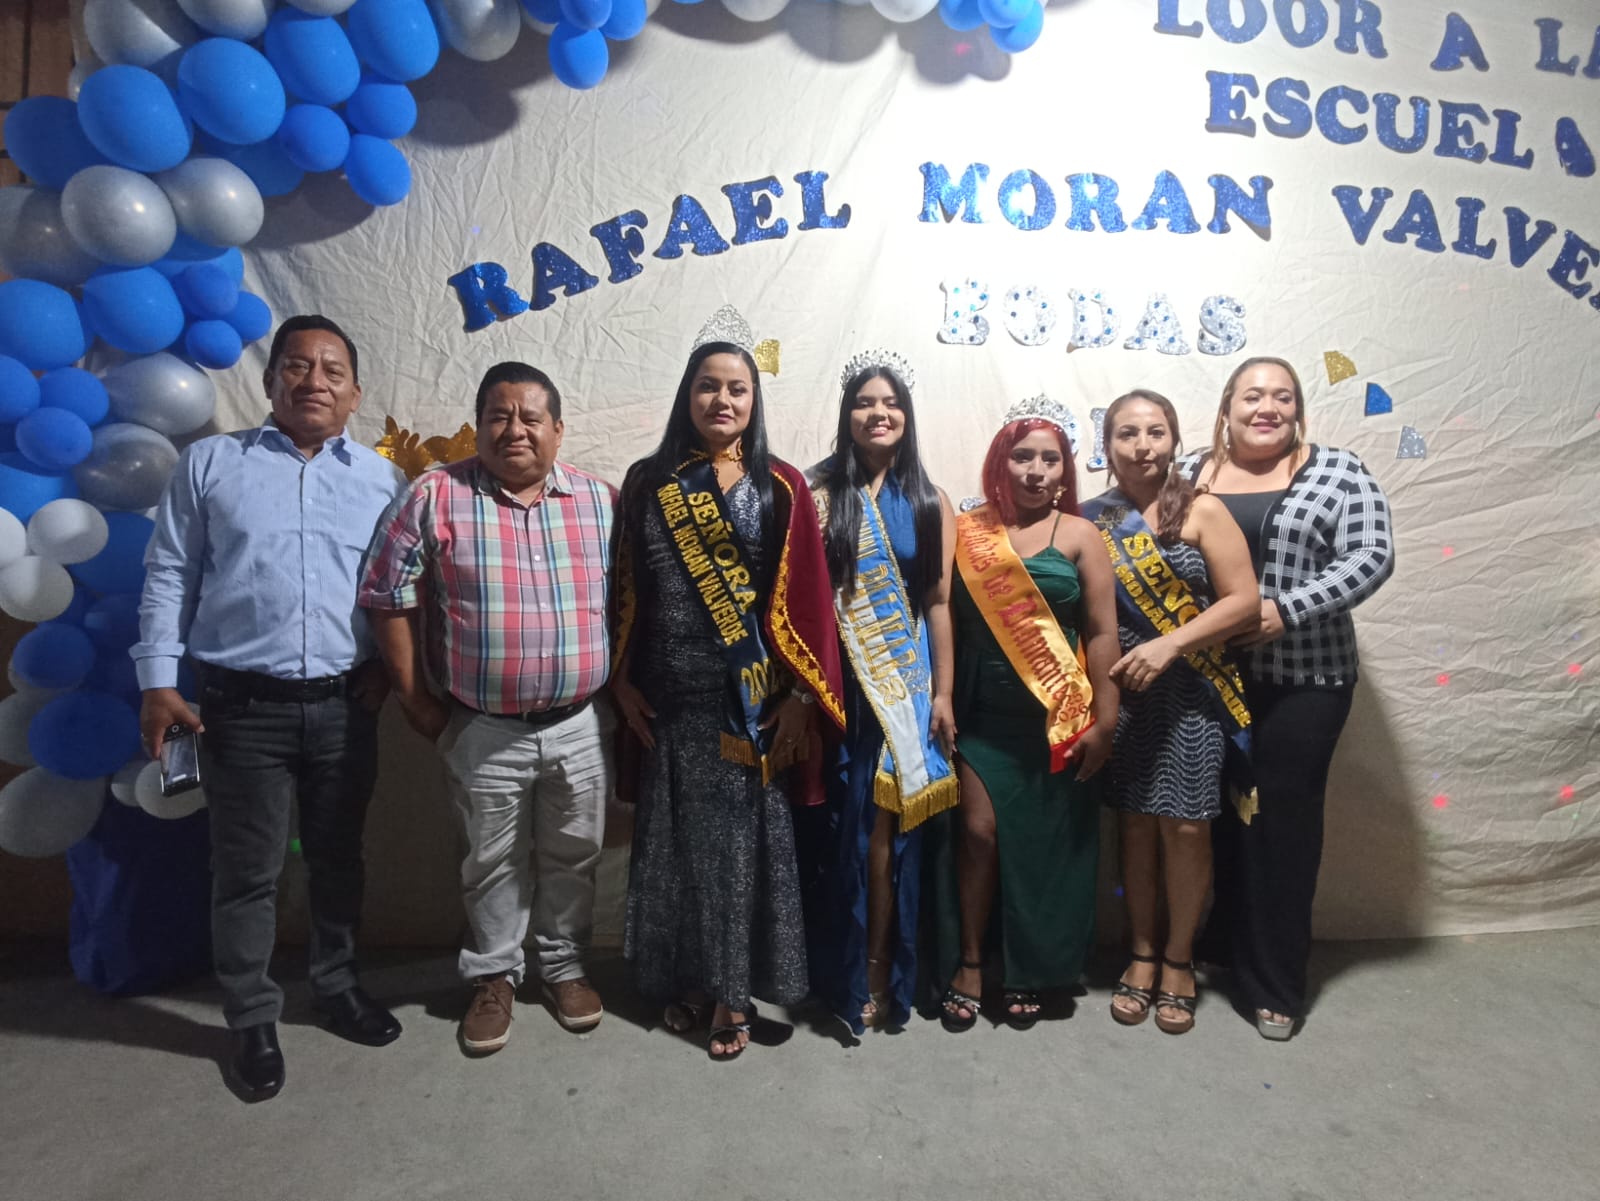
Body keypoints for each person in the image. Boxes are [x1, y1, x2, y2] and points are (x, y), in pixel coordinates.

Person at [133, 315, 407, 1103]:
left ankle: (337, 985)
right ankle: (251, 1016)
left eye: (332, 370)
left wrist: (389, 673)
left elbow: (399, 588)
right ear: (270, 379)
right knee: (247, 871)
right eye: (297, 365)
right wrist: (158, 679)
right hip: (239, 708)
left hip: (345, 707)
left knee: (337, 857)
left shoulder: (384, 480)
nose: (314, 380)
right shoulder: (212, 464)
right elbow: (170, 572)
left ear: (355, 393)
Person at [358, 362, 617, 1055]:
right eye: (499, 416)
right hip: (482, 727)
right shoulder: (434, 496)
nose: (515, 429)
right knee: (490, 860)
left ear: (558, 429)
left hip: (581, 724)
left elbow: (634, 600)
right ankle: (494, 976)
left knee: (574, 854)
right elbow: (386, 594)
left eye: (532, 417)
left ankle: (564, 968)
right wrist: (414, 698)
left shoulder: (602, 502)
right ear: (478, 426)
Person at [612, 310, 845, 1061]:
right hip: (666, 699)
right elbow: (625, 590)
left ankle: (732, 991)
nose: (723, 400)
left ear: (754, 400)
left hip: (748, 705)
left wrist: (802, 698)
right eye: (708, 386)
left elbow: (809, 601)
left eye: (737, 389)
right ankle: (688, 975)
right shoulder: (648, 482)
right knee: (678, 849)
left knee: (739, 853)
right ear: (688, 395)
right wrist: (620, 683)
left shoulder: (780, 486)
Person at [1182, 356, 1396, 1040]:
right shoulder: (1189, 472)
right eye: (1252, 395)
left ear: (1298, 410)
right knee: (1215, 816)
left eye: (1282, 396)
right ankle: (1223, 941)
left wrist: (1287, 609)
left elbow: (1371, 557)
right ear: (1227, 408)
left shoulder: (1338, 471)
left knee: (1280, 828)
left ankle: (1274, 983)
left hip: (1304, 680)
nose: (1266, 407)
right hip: (1207, 679)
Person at [936, 397, 1120, 1032]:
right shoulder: (967, 531)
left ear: (1066, 470)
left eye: (1050, 458)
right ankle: (970, 962)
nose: (1036, 470)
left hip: (1057, 719)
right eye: (1022, 456)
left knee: (1046, 848)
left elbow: (1102, 633)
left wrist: (1106, 719)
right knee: (979, 834)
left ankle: (1032, 969)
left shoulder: (1081, 536)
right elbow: (942, 617)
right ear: (1000, 462)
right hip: (981, 719)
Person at [1080, 390, 1258, 1035]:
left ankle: (1180, 959)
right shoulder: (1092, 519)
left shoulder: (1203, 509)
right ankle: (1142, 952)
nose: (1142, 446)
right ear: (1107, 446)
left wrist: (1172, 644)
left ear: (1175, 440)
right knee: (1134, 826)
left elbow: (1244, 601)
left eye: (1155, 432)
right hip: (1125, 692)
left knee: (1186, 828)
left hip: (1193, 693)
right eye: (1127, 434)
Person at [806, 350, 957, 1034]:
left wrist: (942, 695)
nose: (878, 413)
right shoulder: (817, 492)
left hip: (905, 682)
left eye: (890, 403)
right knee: (845, 831)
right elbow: (804, 603)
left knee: (888, 834)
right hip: (840, 686)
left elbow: (938, 605)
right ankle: (836, 966)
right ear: (847, 415)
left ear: (907, 415)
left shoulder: (929, 500)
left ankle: (880, 967)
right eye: (865, 402)